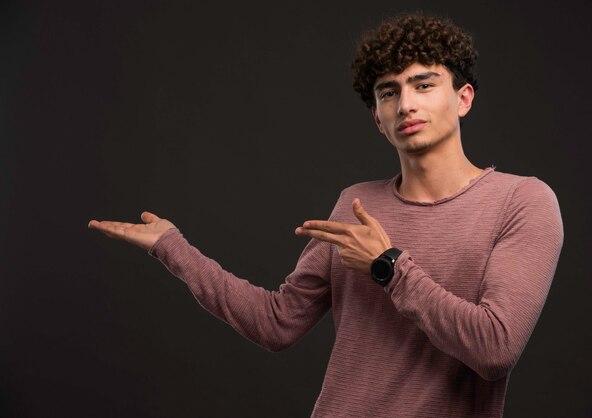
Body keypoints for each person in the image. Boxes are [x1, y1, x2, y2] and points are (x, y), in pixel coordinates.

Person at [88, 12, 563, 418]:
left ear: (463, 98)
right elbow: (277, 323)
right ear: (378, 118)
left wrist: (389, 265)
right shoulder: (358, 203)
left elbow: (495, 349)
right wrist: (173, 248)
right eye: (389, 92)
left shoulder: (522, 201)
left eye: (423, 84)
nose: (407, 104)